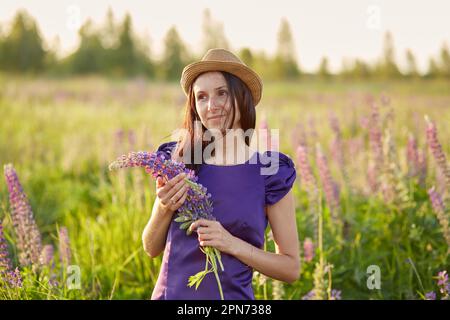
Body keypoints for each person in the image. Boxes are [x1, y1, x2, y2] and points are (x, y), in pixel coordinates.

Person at [142, 48, 300, 300]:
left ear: (242, 97)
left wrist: (232, 244)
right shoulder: (180, 161)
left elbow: (291, 268)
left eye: (222, 93)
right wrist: (163, 208)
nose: (211, 106)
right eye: (201, 97)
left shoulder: (270, 172)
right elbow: (151, 248)